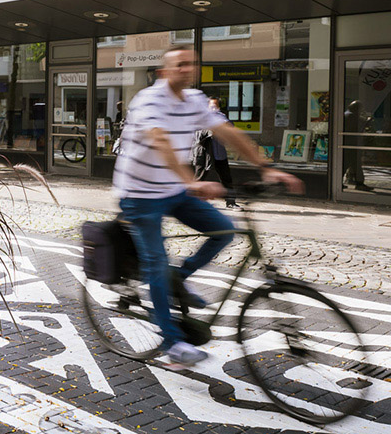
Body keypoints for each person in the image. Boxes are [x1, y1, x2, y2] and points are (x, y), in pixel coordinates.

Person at [113, 48, 302, 368]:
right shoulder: (148, 100)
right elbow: (159, 141)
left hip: (174, 189)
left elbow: (227, 132)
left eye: (192, 64)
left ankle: (180, 276)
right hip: (140, 194)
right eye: (180, 64)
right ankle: (173, 344)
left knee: (224, 231)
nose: (188, 69)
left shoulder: (197, 100)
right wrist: (192, 182)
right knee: (156, 262)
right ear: (164, 72)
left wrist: (265, 167)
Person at [191, 98, 238, 209]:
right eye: (211, 105)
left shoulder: (221, 116)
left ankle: (231, 202)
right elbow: (197, 134)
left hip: (219, 153)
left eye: (215, 106)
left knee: (226, 178)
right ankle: (191, 203)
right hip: (205, 153)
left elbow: (230, 127)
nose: (213, 108)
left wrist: (221, 120)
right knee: (199, 178)